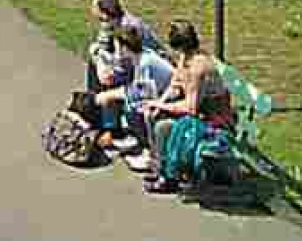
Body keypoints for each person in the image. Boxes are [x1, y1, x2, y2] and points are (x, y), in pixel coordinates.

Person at [140, 20, 233, 194]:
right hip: (199, 111)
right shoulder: (186, 57)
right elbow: (175, 83)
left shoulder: (198, 67)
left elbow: (191, 107)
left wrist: (162, 106)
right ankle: (160, 166)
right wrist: (160, 103)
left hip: (212, 118)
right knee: (153, 115)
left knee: (163, 126)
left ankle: (169, 178)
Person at [94, 24, 174, 173]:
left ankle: (148, 151)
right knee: (131, 104)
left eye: (118, 47)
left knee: (135, 107)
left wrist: (110, 95)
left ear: (124, 47)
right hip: (162, 96)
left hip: (170, 100)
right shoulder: (141, 58)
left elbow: (142, 92)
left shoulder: (145, 62)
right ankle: (140, 142)